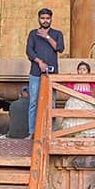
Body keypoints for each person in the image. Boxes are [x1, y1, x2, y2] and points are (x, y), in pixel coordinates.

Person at [25, 8, 64, 137]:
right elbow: (29, 51)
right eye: (43, 18)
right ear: (39, 19)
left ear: (51, 19)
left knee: (51, 103)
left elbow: (59, 48)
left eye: (47, 18)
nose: (45, 21)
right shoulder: (33, 34)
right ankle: (32, 132)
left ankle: (50, 132)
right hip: (36, 72)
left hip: (51, 75)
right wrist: (39, 62)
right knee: (33, 102)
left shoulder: (57, 34)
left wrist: (47, 37)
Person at [62, 61, 95, 137]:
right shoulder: (74, 79)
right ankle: (73, 133)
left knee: (87, 117)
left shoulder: (89, 80)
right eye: (80, 69)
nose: (81, 71)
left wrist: (91, 77)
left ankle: (86, 133)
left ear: (88, 72)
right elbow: (68, 85)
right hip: (74, 100)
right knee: (74, 116)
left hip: (87, 100)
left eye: (84, 69)